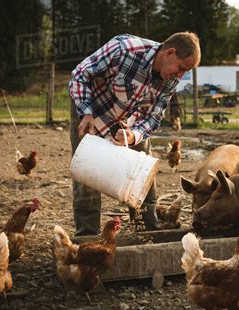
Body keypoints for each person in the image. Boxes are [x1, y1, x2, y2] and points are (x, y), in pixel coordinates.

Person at [69, 32, 201, 236]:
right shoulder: (125, 50)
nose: (180, 76)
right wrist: (85, 113)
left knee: (142, 171)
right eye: (181, 68)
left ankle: (146, 231)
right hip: (91, 110)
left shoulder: (170, 78)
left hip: (129, 122)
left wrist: (134, 135)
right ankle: (88, 238)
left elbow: (154, 116)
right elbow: (80, 75)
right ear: (170, 53)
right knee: (87, 172)